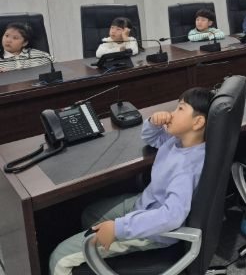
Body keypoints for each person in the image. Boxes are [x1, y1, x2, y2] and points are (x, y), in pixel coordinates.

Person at [48, 87, 212, 275]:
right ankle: (97, 257)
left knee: (59, 258)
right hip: (144, 203)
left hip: (153, 231)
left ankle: (98, 252)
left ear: (198, 122)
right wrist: (153, 123)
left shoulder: (186, 168)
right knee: (89, 215)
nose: (172, 114)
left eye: (180, 109)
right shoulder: (179, 141)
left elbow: (172, 216)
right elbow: (151, 138)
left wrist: (118, 229)